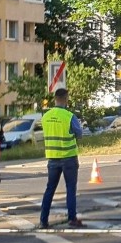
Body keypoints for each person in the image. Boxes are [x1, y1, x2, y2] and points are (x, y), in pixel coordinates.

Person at [39, 88, 85, 228]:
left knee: (50, 189)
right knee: (70, 188)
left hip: (52, 158)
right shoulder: (69, 116)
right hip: (68, 157)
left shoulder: (45, 116)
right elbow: (79, 134)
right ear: (66, 99)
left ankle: (43, 220)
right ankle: (72, 218)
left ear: (55, 99)